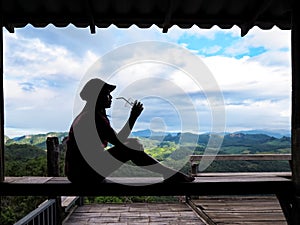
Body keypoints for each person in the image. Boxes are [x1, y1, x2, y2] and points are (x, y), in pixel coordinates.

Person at [65, 78, 195, 183]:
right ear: (97, 96)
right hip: (84, 175)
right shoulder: (93, 118)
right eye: (107, 94)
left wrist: (133, 121)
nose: (110, 97)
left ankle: (168, 173)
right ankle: (169, 173)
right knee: (133, 145)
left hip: (78, 173)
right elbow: (119, 142)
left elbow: (118, 140)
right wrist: (133, 118)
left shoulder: (89, 115)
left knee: (133, 144)